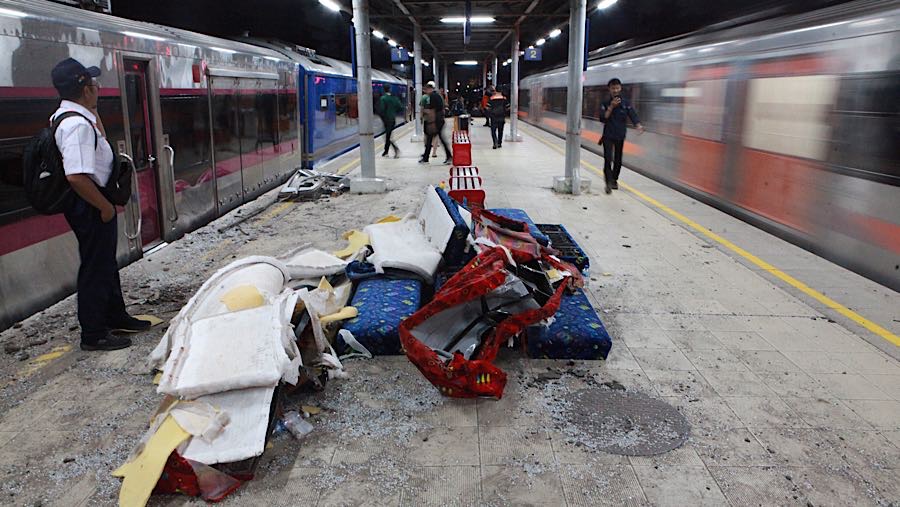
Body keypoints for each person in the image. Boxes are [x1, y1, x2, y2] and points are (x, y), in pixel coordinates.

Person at [51, 58, 150, 351]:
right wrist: (105, 207)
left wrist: (93, 110)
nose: (98, 88)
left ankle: (115, 316)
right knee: (95, 267)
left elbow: (100, 143)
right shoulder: (75, 126)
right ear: (84, 89)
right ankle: (93, 334)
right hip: (91, 205)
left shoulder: (78, 117)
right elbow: (76, 176)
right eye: (94, 84)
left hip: (93, 202)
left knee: (105, 263)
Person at [598, 78, 644, 194]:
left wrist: (637, 124)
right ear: (609, 89)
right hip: (608, 135)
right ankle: (608, 183)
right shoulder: (605, 102)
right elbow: (603, 118)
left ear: (620, 88)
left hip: (620, 135)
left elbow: (632, 114)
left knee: (618, 160)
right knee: (608, 159)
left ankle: (614, 179)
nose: (615, 90)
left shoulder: (625, 103)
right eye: (613, 88)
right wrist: (611, 107)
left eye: (617, 88)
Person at [419, 81, 451, 164]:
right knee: (431, 139)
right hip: (439, 120)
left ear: (429, 89)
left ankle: (449, 156)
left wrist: (432, 123)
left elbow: (433, 110)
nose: (425, 91)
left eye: (426, 89)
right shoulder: (437, 95)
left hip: (437, 121)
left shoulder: (433, 96)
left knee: (437, 139)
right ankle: (426, 158)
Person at [377, 84, 402, 158]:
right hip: (392, 119)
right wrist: (393, 112)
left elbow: (381, 110)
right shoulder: (394, 98)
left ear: (383, 89)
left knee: (388, 136)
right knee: (388, 136)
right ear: (390, 89)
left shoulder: (383, 98)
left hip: (386, 120)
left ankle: (395, 149)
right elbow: (400, 107)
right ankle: (386, 151)